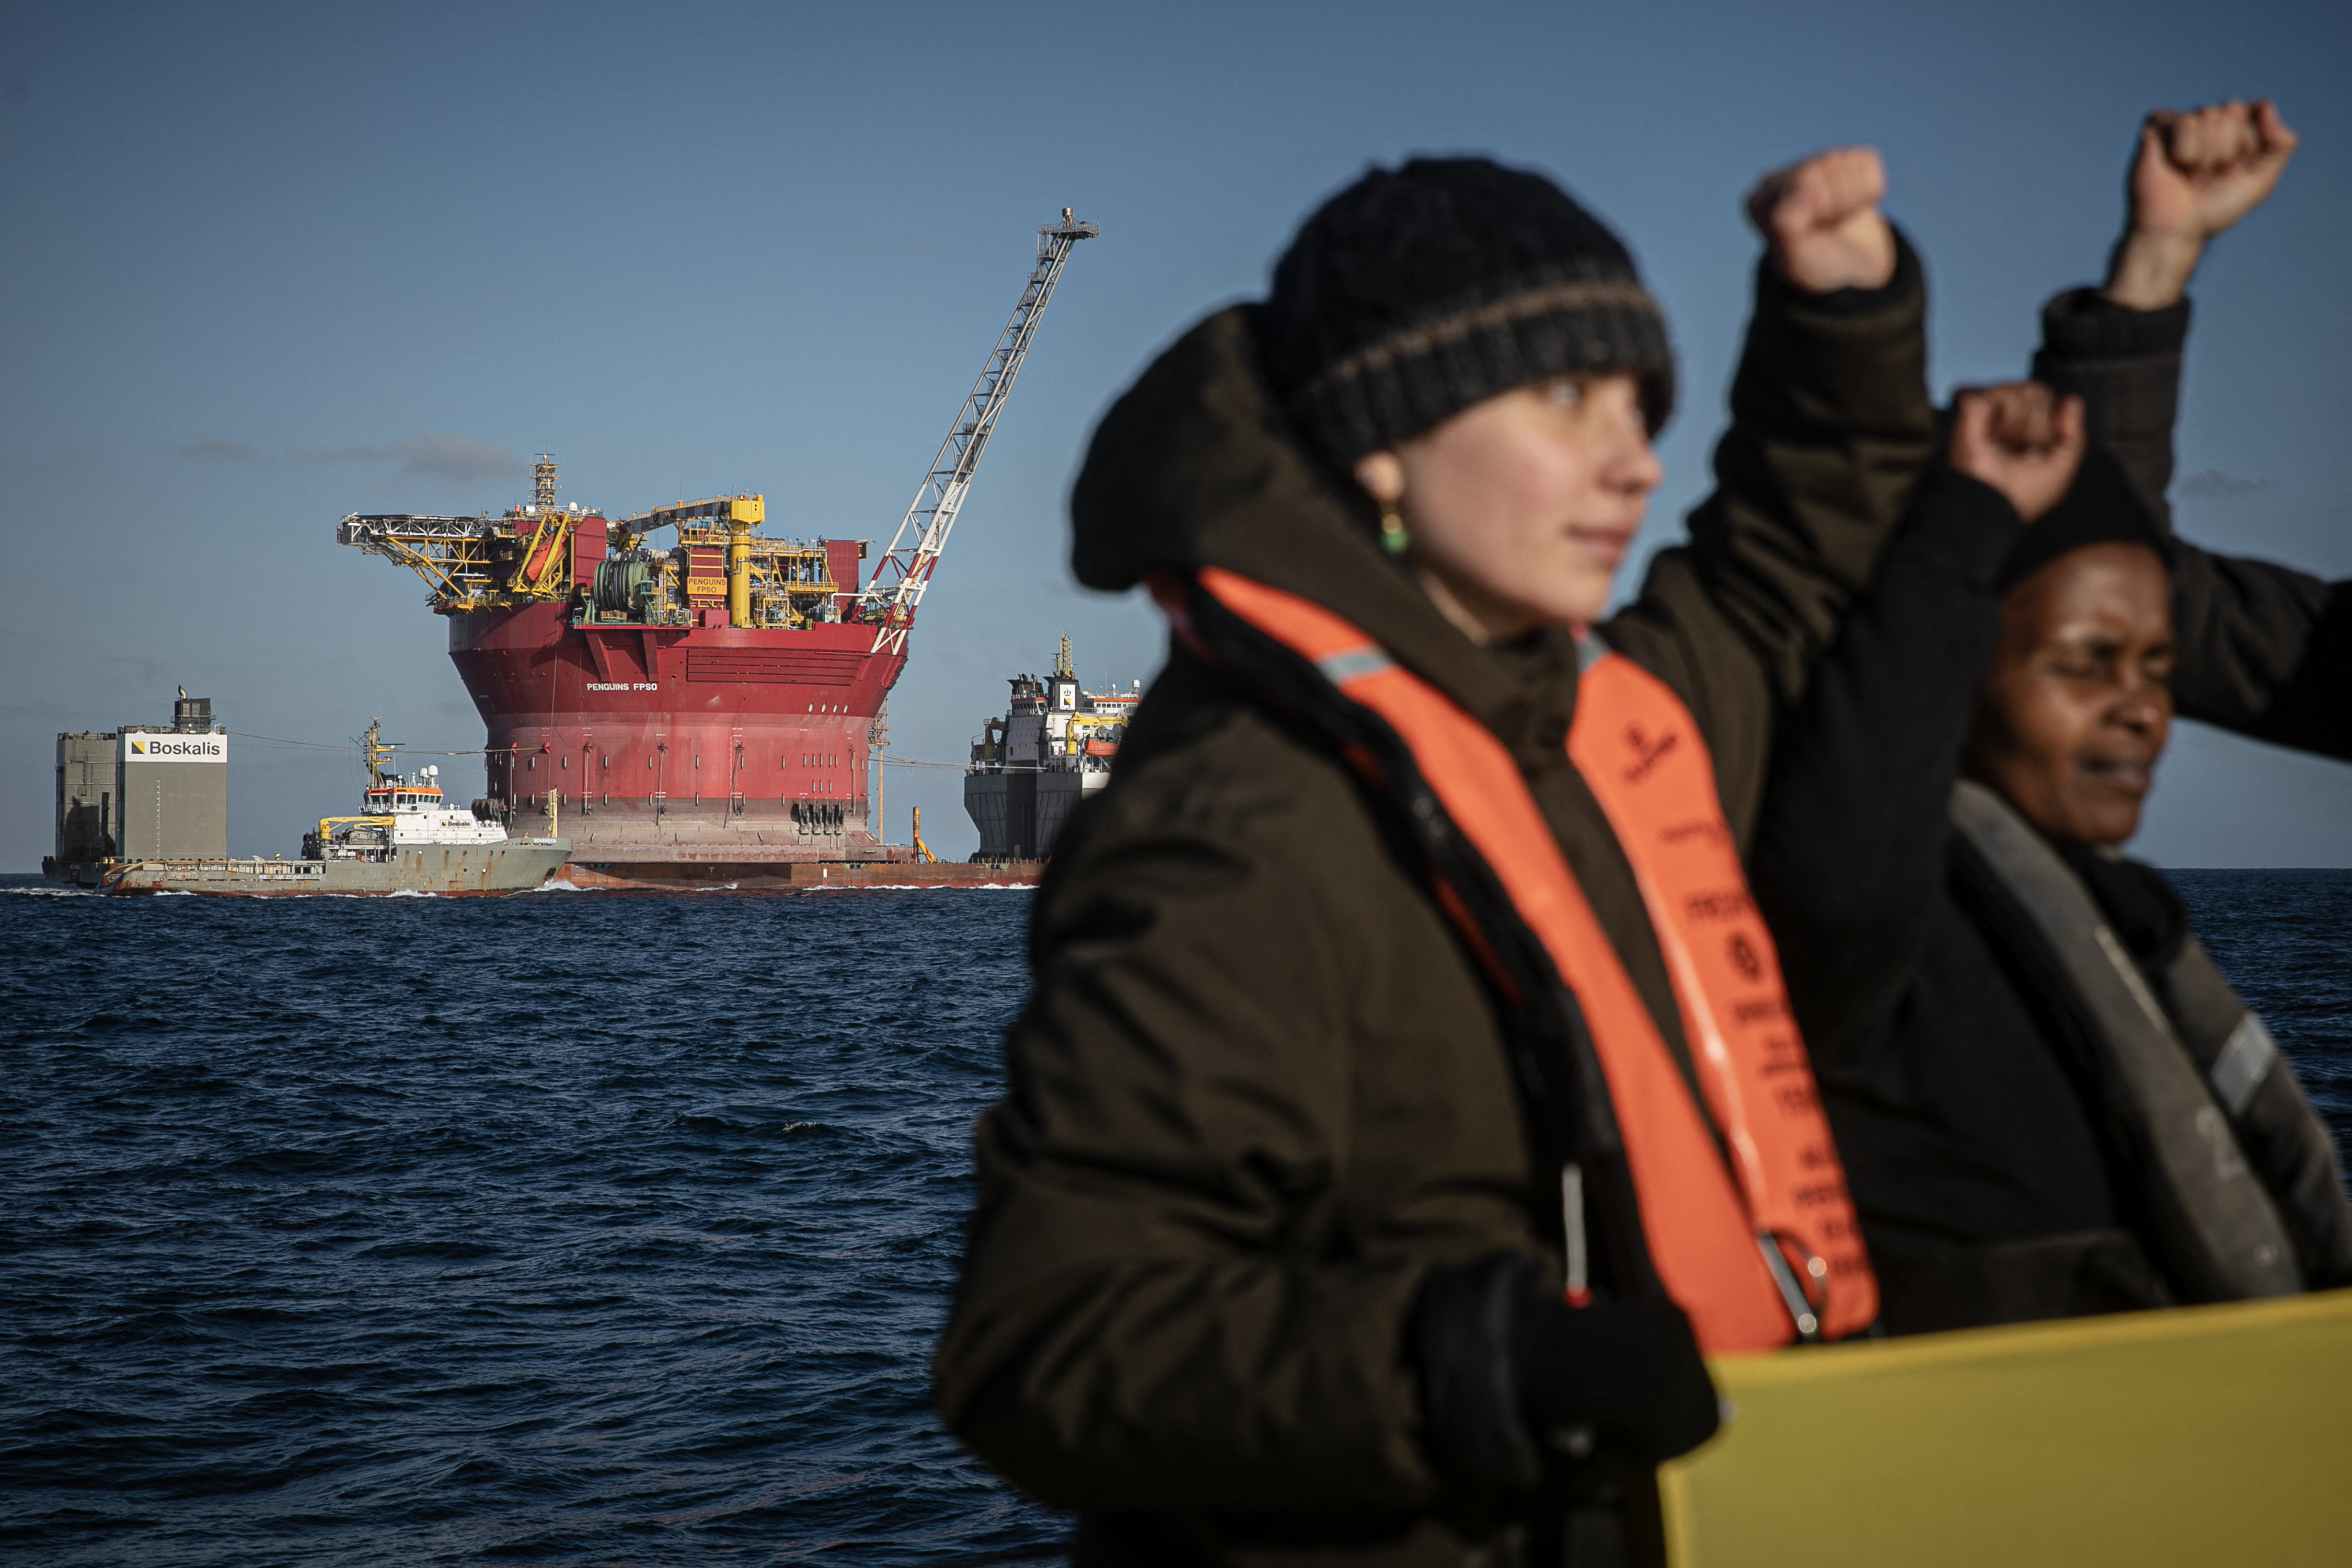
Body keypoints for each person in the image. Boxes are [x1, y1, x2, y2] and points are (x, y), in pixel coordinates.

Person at [933, 149, 1933, 1563]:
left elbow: (1787, 561)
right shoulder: (1241, 825)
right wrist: (1472, 1368)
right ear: (1384, 439)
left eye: (1641, 405)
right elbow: (1041, 1336)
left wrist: (1838, 317)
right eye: (1564, 397)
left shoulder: (1593, 727)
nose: (1636, 456)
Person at [1749, 99, 2352, 1335]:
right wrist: (2149, 279)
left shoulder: (2117, 918)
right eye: (2095, 668)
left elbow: (2094, 583)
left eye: (2153, 670)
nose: (2144, 707)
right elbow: (2090, 565)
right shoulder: (1878, 920)